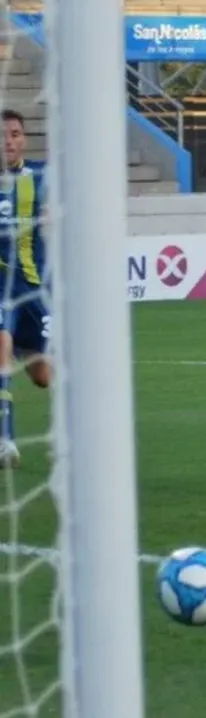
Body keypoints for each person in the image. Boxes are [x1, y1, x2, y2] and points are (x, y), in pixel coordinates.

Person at [0, 108, 51, 468]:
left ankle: (18, 342)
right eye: (4, 135)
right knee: (1, 345)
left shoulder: (41, 176)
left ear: (24, 139)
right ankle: (6, 442)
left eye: (15, 134)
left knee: (44, 377)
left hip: (32, 287)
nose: (9, 141)